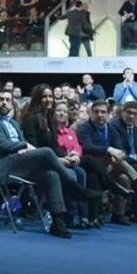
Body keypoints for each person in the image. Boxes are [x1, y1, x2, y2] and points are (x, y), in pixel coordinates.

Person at [19, 85, 98, 236]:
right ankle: (70, 212)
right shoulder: (30, 119)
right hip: (34, 163)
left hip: (51, 160)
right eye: (44, 96)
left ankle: (78, 216)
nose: (48, 99)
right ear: (37, 99)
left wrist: (66, 157)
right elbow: (33, 147)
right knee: (69, 174)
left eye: (50, 96)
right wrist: (58, 160)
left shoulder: (50, 119)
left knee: (80, 171)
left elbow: (55, 146)